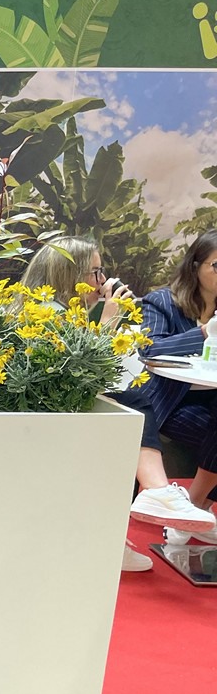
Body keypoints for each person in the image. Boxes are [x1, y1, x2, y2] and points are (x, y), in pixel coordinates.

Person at [21, 236, 216, 571]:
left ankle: (142, 512)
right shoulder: (46, 311)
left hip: (65, 405)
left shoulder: (64, 310)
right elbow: (76, 371)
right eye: (95, 272)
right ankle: (152, 500)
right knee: (131, 405)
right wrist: (110, 320)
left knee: (129, 407)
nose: (103, 281)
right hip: (44, 413)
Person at [140, 229, 217, 546]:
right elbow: (149, 348)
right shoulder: (163, 301)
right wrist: (203, 333)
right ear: (196, 266)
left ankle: (194, 508)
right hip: (171, 401)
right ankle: (193, 510)